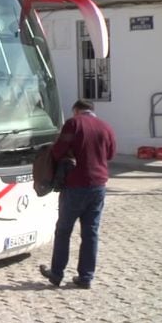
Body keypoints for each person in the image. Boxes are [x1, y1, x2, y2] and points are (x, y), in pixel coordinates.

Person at [40, 99, 116, 289]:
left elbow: (58, 151)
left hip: (75, 184)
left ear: (76, 110)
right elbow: (110, 154)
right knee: (91, 232)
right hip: (98, 185)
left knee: (64, 230)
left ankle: (57, 273)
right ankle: (86, 277)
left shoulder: (73, 123)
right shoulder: (106, 126)